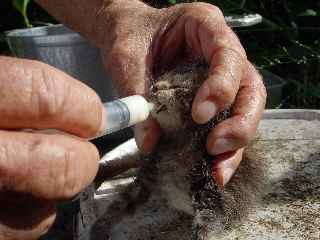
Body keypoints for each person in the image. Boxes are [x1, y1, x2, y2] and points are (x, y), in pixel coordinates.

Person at [0, 0, 266, 239]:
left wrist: (118, 13)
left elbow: (206, 214)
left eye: (175, 90)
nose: (158, 88)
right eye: (164, 81)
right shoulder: (165, 149)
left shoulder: (201, 166)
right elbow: (138, 187)